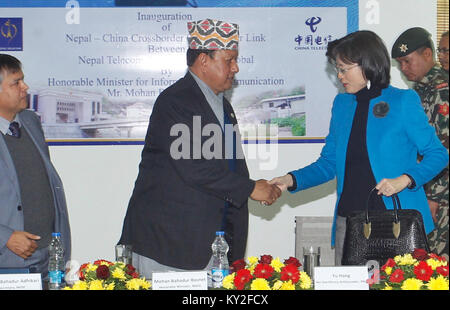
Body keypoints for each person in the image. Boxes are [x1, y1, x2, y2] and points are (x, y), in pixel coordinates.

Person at [118, 18, 281, 278]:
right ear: (204, 60)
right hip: (171, 245)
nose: (235, 68)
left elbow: (229, 164)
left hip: (215, 243)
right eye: (229, 60)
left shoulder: (221, 103)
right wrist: (251, 188)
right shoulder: (175, 102)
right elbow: (194, 168)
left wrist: (254, 187)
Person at [269, 30, 448, 266]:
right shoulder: (342, 104)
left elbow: (438, 154)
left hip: (397, 221)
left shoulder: (403, 101)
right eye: (337, 69)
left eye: (345, 68)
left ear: (369, 64)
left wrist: (405, 179)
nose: (339, 76)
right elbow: (328, 164)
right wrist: (289, 180)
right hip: (350, 220)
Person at [0, 54, 71, 277]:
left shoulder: (30, 122)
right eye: (16, 82)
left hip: (47, 259)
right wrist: (5, 238)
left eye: (23, 80)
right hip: (7, 264)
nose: (25, 87)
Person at [392, 27, 449, 259]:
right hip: (425, 190)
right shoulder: (423, 89)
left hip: (440, 197)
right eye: (400, 64)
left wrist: (433, 198)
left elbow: (443, 148)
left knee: (436, 264)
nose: (404, 69)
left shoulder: (441, 90)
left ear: (427, 54)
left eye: (407, 61)